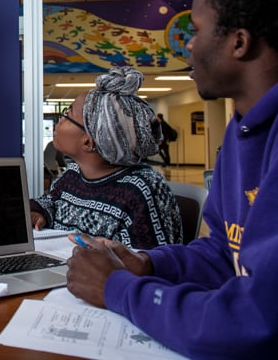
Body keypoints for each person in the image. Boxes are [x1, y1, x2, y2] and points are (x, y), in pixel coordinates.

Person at [66, 0, 278, 357]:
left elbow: (258, 322)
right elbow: (223, 252)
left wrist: (118, 288)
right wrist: (149, 264)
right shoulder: (244, 127)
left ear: (239, 42)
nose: (188, 49)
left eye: (196, 31)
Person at [30, 67, 183, 249]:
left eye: (66, 115)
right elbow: (51, 203)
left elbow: (150, 262)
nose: (58, 122)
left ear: (88, 142)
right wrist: (39, 212)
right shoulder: (72, 175)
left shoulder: (141, 191)